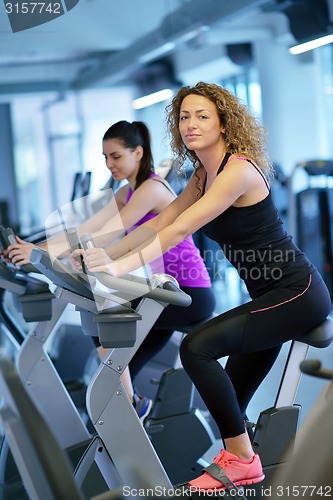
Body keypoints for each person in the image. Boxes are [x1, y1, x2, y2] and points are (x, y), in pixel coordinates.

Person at [71, 83, 332, 493]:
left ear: (225, 122)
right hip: (267, 298)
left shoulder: (238, 170)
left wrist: (117, 266)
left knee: (197, 348)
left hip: (297, 293)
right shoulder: (201, 174)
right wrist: (101, 256)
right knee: (231, 406)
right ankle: (247, 463)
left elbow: (182, 227)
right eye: (184, 117)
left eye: (202, 115)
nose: (190, 123)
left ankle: (242, 461)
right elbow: (158, 222)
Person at [6, 119, 215, 421]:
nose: (109, 164)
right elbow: (86, 229)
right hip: (163, 290)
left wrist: (37, 252)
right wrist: (33, 246)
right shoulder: (126, 192)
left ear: (138, 153)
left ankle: (132, 406)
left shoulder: (152, 188)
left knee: (103, 315)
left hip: (188, 292)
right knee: (113, 370)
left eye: (116, 156)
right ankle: (131, 414)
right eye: (105, 157)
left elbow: (109, 233)